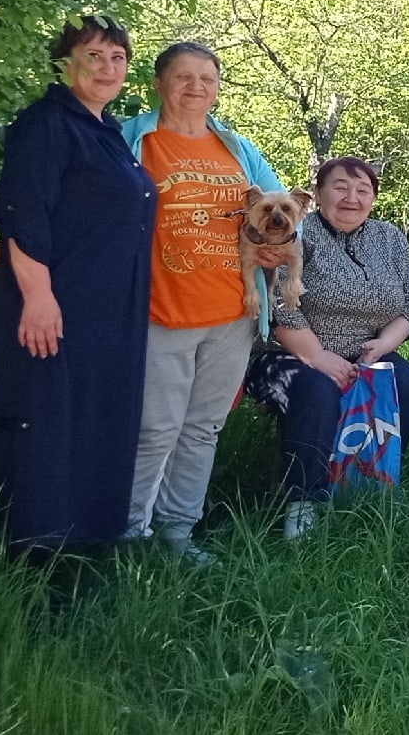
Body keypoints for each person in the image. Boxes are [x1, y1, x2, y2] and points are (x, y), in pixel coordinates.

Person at [0, 17, 157, 551]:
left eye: (117, 58)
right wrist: (37, 297)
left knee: (94, 422)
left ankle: (88, 543)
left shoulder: (104, 131)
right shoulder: (45, 125)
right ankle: (36, 555)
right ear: (65, 63)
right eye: (93, 56)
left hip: (106, 313)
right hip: (56, 306)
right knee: (48, 424)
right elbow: (22, 213)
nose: (108, 68)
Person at [119, 41, 288, 560]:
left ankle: (177, 533)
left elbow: (281, 215)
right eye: (183, 76)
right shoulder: (131, 139)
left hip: (234, 313)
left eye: (207, 78)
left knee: (202, 429)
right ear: (158, 83)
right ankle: (127, 533)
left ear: (217, 87)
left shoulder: (237, 148)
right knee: (154, 429)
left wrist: (272, 251)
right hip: (161, 308)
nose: (195, 87)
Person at [247, 157, 409, 540]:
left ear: (374, 198)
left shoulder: (389, 237)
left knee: (403, 380)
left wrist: (383, 346)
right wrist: (319, 357)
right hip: (286, 354)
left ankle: (376, 482)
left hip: (365, 351)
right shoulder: (293, 231)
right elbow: (276, 301)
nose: (351, 198)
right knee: (318, 388)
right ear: (318, 194)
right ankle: (303, 503)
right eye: (340, 187)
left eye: (363, 190)